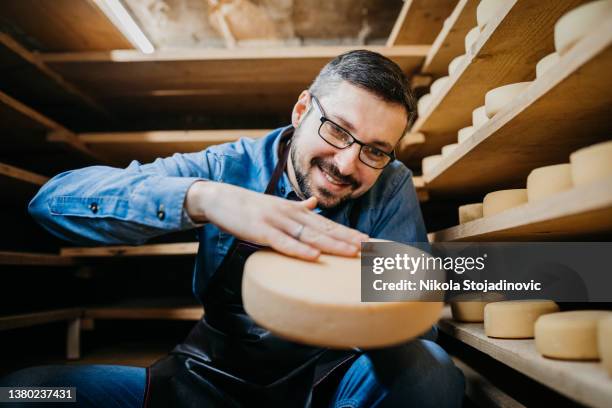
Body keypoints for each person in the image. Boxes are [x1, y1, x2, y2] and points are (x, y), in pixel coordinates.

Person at [1, 50, 464, 407]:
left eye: (376, 151)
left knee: (431, 373)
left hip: (327, 381)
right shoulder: (226, 166)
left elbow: (413, 327)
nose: (347, 163)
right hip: (206, 379)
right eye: (337, 131)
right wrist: (205, 199)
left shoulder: (389, 183)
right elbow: (51, 204)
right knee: (25, 392)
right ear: (302, 110)